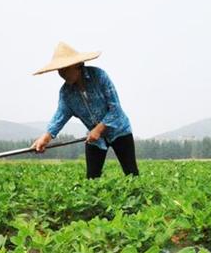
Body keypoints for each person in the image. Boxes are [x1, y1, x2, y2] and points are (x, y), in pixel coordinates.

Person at [31, 42, 139, 179]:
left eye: (64, 69)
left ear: (78, 65)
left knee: (131, 174)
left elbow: (115, 109)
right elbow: (60, 116)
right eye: (59, 70)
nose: (62, 74)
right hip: (95, 139)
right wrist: (45, 138)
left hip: (120, 130)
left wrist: (99, 129)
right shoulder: (66, 93)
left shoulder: (99, 76)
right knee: (91, 179)